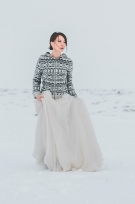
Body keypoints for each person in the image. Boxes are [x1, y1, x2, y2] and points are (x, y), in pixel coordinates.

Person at [32, 32, 103, 172]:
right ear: (52, 43)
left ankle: (65, 158)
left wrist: (76, 100)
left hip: (63, 100)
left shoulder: (68, 62)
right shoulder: (42, 60)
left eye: (64, 41)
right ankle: (51, 159)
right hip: (48, 101)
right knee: (50, 132)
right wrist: (37, 94)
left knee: (64, 131)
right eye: (59, 41)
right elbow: (36, 79)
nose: (62, 44)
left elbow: (69, 84)